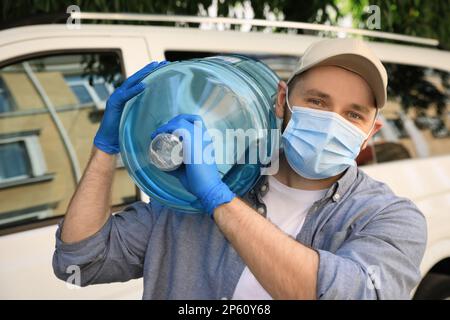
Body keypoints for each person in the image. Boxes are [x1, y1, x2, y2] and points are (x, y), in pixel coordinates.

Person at [53, 38, 427, 299]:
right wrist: (105, 149)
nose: (332, 121)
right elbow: (83, 261)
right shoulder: (210, 180)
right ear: (282, 101)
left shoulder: (387, 218)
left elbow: (347, 294)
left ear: (369, 133)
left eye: (353, 115)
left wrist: (219, 202)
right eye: (317, 101)